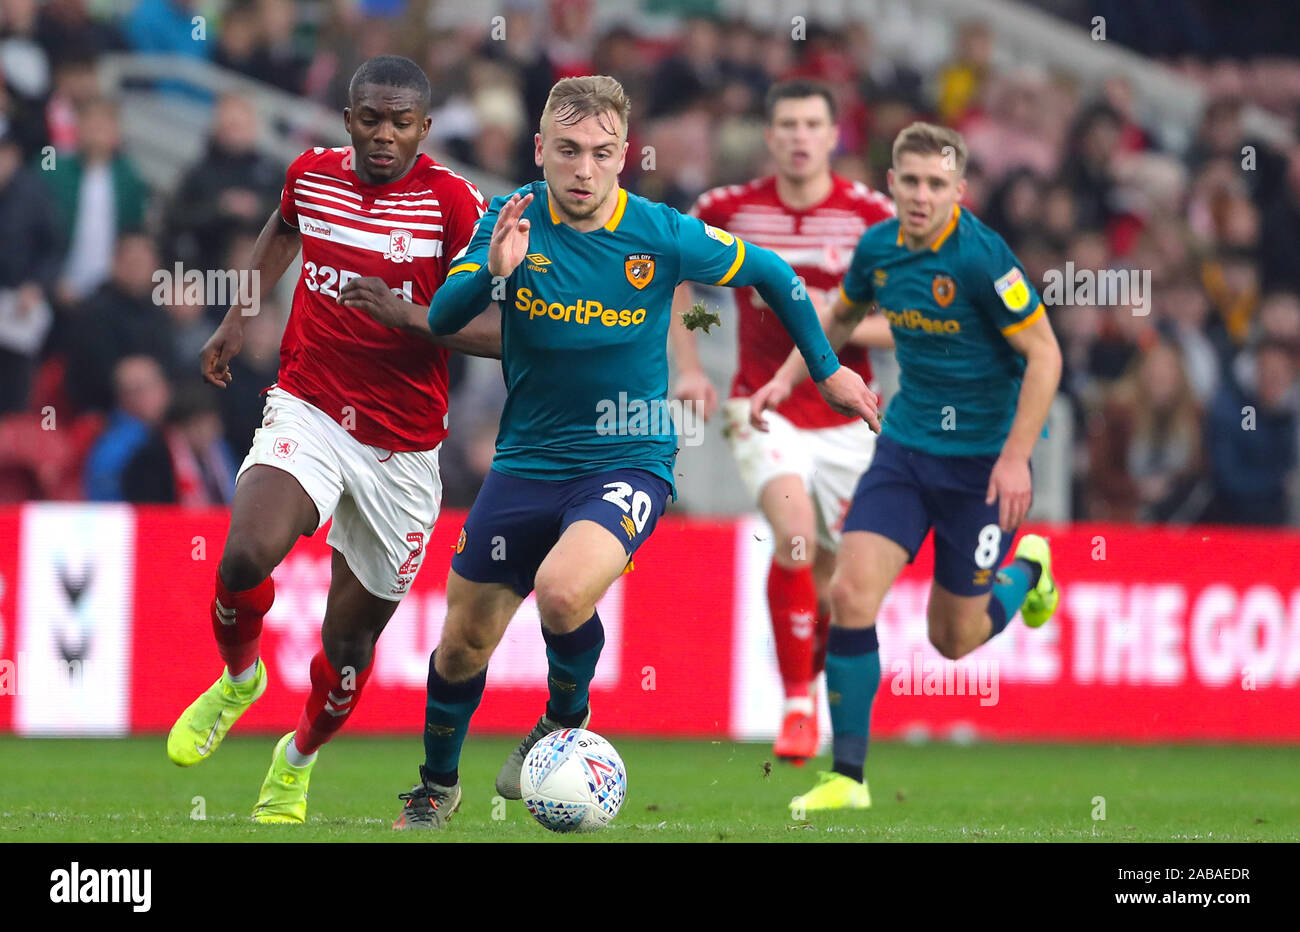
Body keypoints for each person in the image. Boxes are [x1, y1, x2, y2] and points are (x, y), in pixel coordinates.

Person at [379, 74, 879, 829]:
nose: (584, 169)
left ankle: (560, 721)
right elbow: (446, 318)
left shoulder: (660, 231)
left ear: (623, 157)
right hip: (526, 460)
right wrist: (491, 268)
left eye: (602, 153)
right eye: (570, 150)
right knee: (461, 645)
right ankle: (437, 785)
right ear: (541, 149)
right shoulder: (507, 222)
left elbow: (775, 274)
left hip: (630, 452)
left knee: (561, 590)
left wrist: (827, 366)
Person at [164, 55, 502, 825]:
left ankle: (297, 760)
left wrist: (409, 316)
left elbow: (505, 328)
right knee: (245, 553)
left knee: (347, 648)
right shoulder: (312, 174)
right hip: (310, 406)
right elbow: (283, 228)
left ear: (424, 127)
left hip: (405, 450)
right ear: (350, 120)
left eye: (401, 123)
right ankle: (240, 679)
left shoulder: (455, 205)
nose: (385, 135)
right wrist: (236, 314)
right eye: (371, 119)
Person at [750, 123, 1063, 811]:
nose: (921, 196)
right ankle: (848, 779)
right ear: (891, 184)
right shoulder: (879, 249)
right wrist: (783, 380)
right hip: (904, 450)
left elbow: (1045, 355)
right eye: (910, 181)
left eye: (936, 184)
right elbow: (833, 321)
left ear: (959, 190)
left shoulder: (983, 260)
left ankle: (1030, 570)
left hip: (981, 467)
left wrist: (1016, 458)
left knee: (952, 639)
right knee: (852, 594)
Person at [669, 79, 895, 763]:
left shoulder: (871, 217)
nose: (800, 136)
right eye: (788, 125)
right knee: (793, 535)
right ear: (770, 138)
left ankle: (810, 664)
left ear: (833, 137)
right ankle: (798, 704)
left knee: (832, 578)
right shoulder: (729, 207)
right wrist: (691, 363)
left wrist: (839, 323)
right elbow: (676, 276)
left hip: (847, 415)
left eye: (812, 125)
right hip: (760, 403)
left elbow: (910, 316)